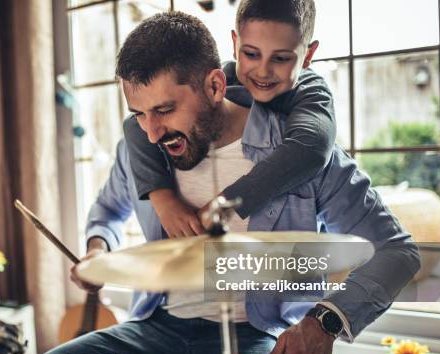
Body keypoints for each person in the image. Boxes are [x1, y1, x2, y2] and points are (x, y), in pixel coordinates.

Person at [49, 11, 420, 354]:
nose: (151, 131)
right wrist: (96, 249)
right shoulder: (143, 150)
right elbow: (107, 211)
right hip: (154, 330)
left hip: (259, 338)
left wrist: (323, 323)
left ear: (214, 85)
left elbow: (397, 251)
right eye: (139, 114)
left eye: (164, 110)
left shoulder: (300, 153)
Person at [125, 0, 335, 239]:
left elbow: (311, 147)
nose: (263, 71)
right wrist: (163, 199)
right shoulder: (221, 79)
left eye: (281, 58)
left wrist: (225, 204)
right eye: (251, 53)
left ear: (307, 56)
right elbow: (132, 126)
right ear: (236, 45)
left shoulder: (310, 90)